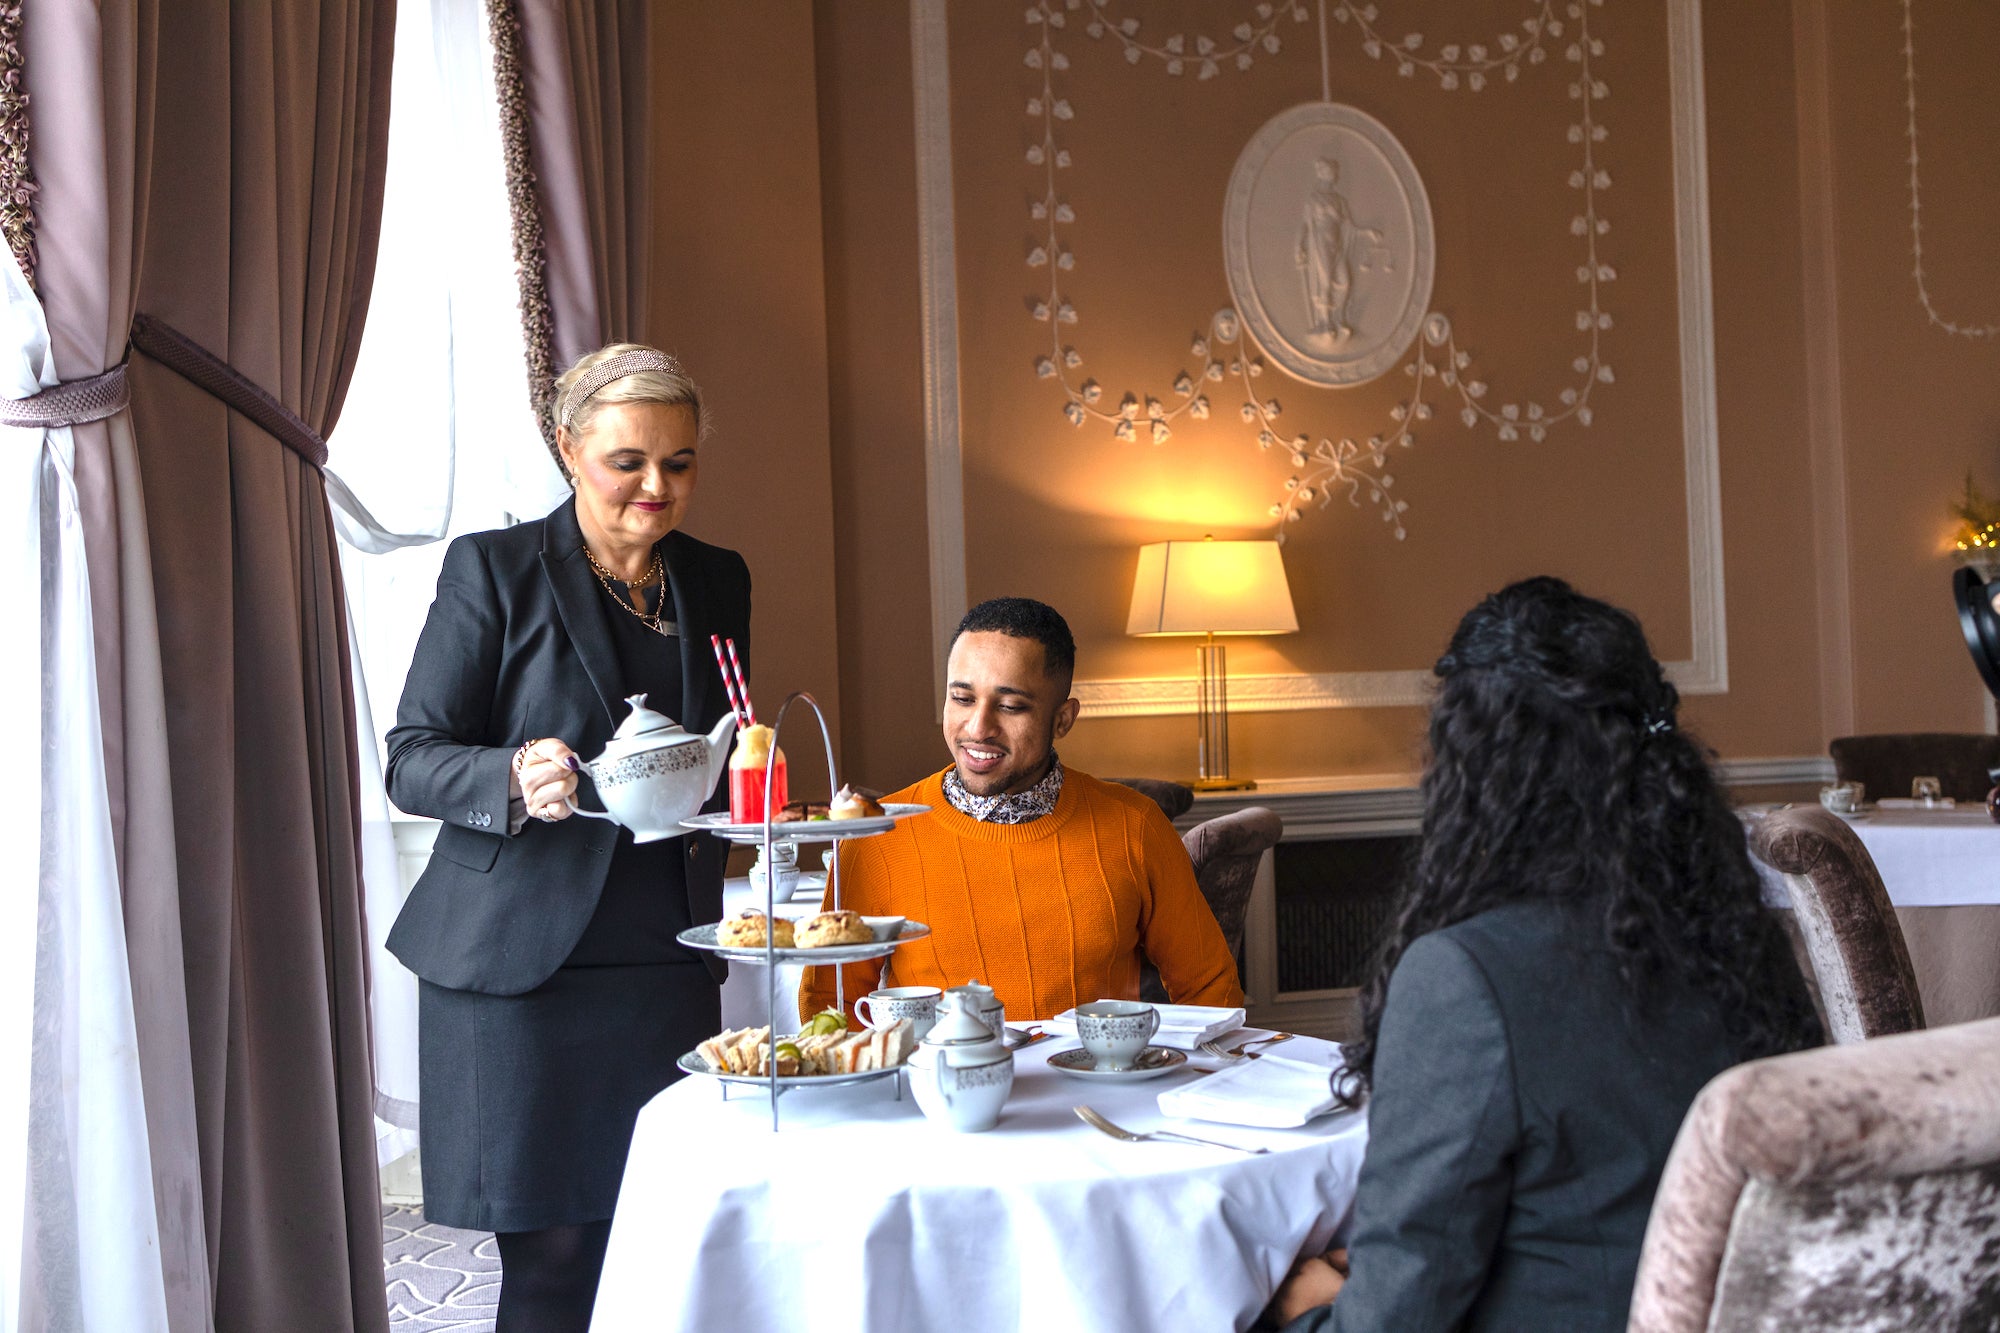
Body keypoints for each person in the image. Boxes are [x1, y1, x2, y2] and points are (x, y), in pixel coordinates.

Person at [1267, 577, 1822, 1332]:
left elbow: (1396, 1317)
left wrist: (1308, 1309)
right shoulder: (1736, 935)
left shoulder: (1464, 976)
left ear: (1474, 766)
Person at [384, 344, 749, 1331]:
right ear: (568, 448)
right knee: (552, 1261)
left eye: (677, 463)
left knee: (655, 1243)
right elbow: (410, 757)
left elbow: (721, 740)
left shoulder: (717, 580)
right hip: (518, 971)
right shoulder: (494, 570)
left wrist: (752, 793)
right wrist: (506, 771)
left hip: (660, 962)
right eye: (627, 460)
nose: (654, 486)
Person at [798, 597, 1243, 1024]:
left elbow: (1210, 990)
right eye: (962, 698)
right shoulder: (878, 833)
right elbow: (830, 1005)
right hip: (930, 1098)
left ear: (1063, 719)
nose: (978, 728)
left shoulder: (1136, 826)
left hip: (1095, 1097)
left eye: (1011, 706)